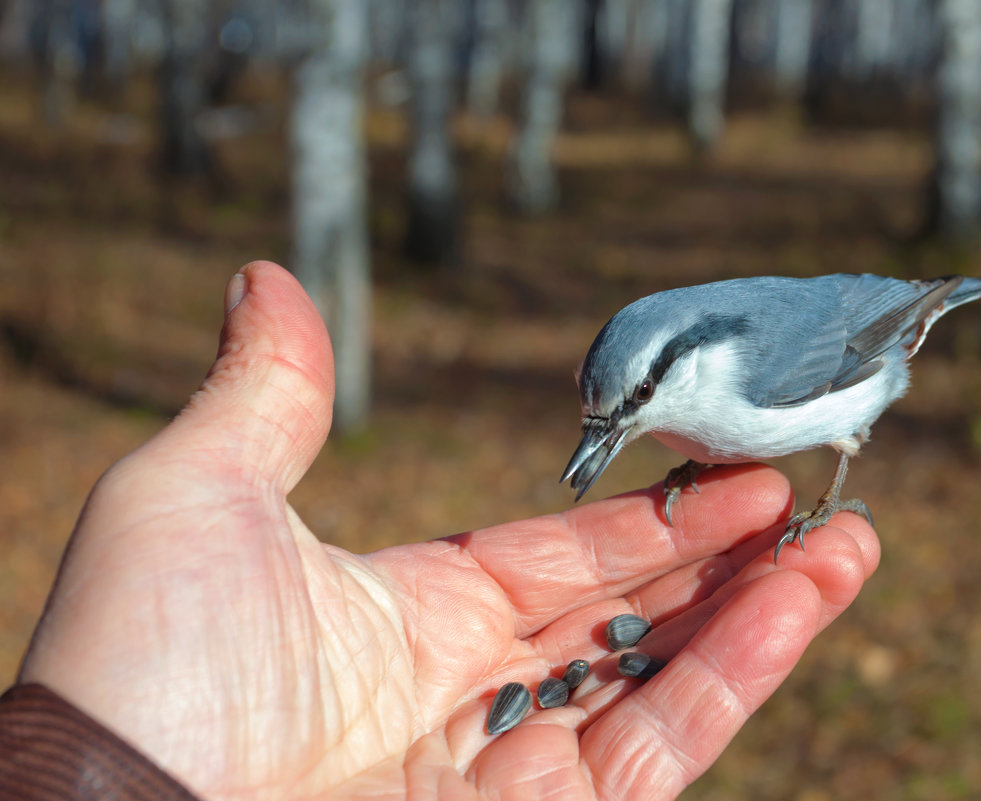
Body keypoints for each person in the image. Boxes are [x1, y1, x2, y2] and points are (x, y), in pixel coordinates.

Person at [0, 262, 880, 800]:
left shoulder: (757, 370)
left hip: (864, 343)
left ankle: (825, 499)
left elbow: (867, 325)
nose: (606, 434)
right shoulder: (686, 380)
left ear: (676, 368)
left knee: (823, 464)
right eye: (597, 418)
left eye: (631, 410)